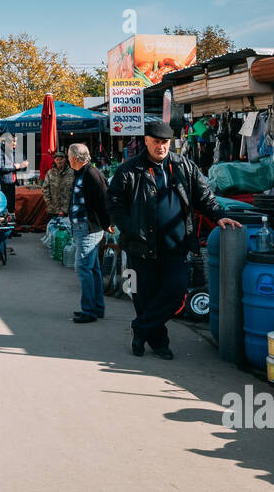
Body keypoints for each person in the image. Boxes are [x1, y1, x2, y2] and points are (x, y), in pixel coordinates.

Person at [107, 120, 242, 360]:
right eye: (156, 141)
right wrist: (129, 227)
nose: (161, 146)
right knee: (144, 297)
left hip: (175, 246)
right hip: (140, 248)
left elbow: (204, 196)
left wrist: (220, 216)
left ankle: (140, 328)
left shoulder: (184, 166)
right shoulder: (128, 170)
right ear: (146, 141)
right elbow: (114, 203)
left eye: (165, 142)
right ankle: (159, 343)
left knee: (176, 290)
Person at [66, 143, 111, 324]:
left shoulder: (91, 174)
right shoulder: (83, 173)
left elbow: (104, 200)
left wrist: (108, 223)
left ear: (76, 158)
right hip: (83, 227)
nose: (68, 160)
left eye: (69, 157)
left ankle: (89, 310)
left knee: (84, 268)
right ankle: (96, 308)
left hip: (88, 228)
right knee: (92, 269)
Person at [0, 133, 28, 215]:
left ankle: (11, 221)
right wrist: (17, 167)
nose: (14, 144)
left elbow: (17, 166)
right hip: (3, 184)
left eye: (15, 142)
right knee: (5, 206)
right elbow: (1, 168)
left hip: (13, 182)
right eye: (13, 142)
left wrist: (23, 165)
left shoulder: (13, 152)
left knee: (12, 206)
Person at [40, 148, 74, 218]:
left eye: (61, 159)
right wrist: (49, 203)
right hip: (53, 209)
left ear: (65, 160)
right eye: (57, 159)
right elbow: (45, 189)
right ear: (54, 161)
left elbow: (75, 189)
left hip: (68, 208)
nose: (59, 161)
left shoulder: (72, 173)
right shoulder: (50, 173)